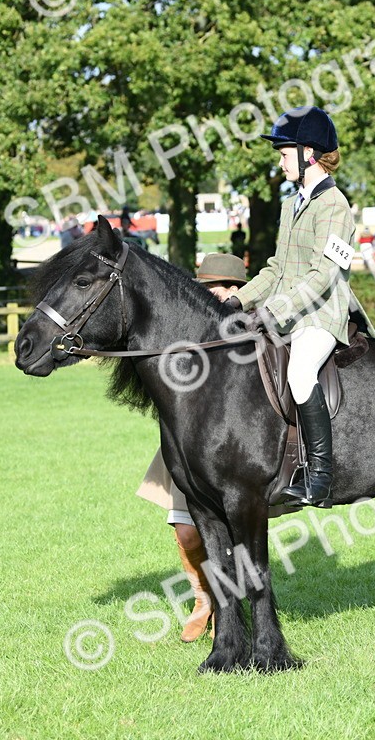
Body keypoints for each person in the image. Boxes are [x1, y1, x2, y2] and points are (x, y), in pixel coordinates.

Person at [224, 106, 375, 509]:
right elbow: (276, 268)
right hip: (288, 310)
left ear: (308, 152)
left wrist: (274, 310)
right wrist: (239, 299)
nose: (279, 160)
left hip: (322, 314)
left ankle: (320, 478)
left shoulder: (335, 206)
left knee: (300, 369)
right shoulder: (291, 204)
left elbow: (325, 273)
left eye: (283, 153)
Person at [135, 253, 250, 642]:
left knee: (234, 526)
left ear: (235, 290)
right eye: (204, 287)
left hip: (232, 446)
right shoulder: (187, 324)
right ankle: (204, 598)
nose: (207, 294)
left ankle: (229, 605)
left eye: (214, 287)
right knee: (186, 532)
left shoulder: (245, 324)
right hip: (189, 441)